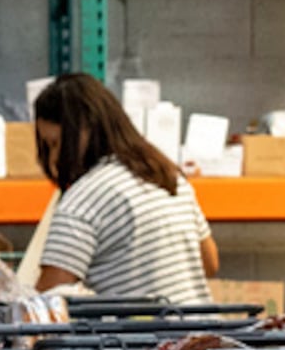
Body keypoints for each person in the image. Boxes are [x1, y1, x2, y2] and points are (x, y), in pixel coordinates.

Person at [29, 74, 219, 305]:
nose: (55, 158)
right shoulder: (166, 174)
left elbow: (48, 300)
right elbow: (209, 263)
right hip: (203, 333)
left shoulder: (84, 199)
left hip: (144, 338)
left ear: (86, 128)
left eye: (56, 143)